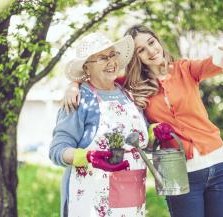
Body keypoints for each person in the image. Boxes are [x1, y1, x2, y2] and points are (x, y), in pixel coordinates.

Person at [61, 24, 223, 217]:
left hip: (219, 165)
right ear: (135, 57)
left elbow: (218, 61)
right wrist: (74, 85)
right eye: (141, 50)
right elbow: (99, 77)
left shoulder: (186, 69)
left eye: (151, 42)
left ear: (158, 40)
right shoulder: (132, 85)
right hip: (177, 172)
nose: (151, 51)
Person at [49, 32, 149, 217]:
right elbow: (57, 150)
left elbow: (140, 140)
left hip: (131, 195)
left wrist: (156, 132)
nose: (111, 62)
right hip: (92, 197)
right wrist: (88, 157)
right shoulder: (79, 99)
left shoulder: (128, 95)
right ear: (87, 68)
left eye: (112, 55)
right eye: (102, 58)